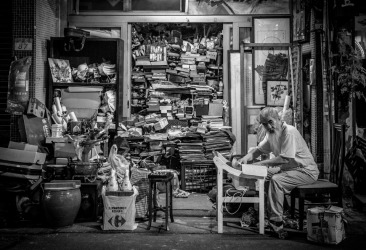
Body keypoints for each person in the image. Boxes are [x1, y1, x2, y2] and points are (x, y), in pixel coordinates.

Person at [238, 107, 319, 239]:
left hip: (305, 171)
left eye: (270, 122)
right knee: (264, 174)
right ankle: (263, 214)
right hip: (290, 169)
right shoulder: (271, 134)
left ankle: (276, 222)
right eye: (265, 123)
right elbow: (259, 150)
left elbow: (284, 158)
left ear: (278, 119)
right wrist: (245, 158)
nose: (269, 126)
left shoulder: (289, 132)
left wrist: (258, 164)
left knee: (276, 180)